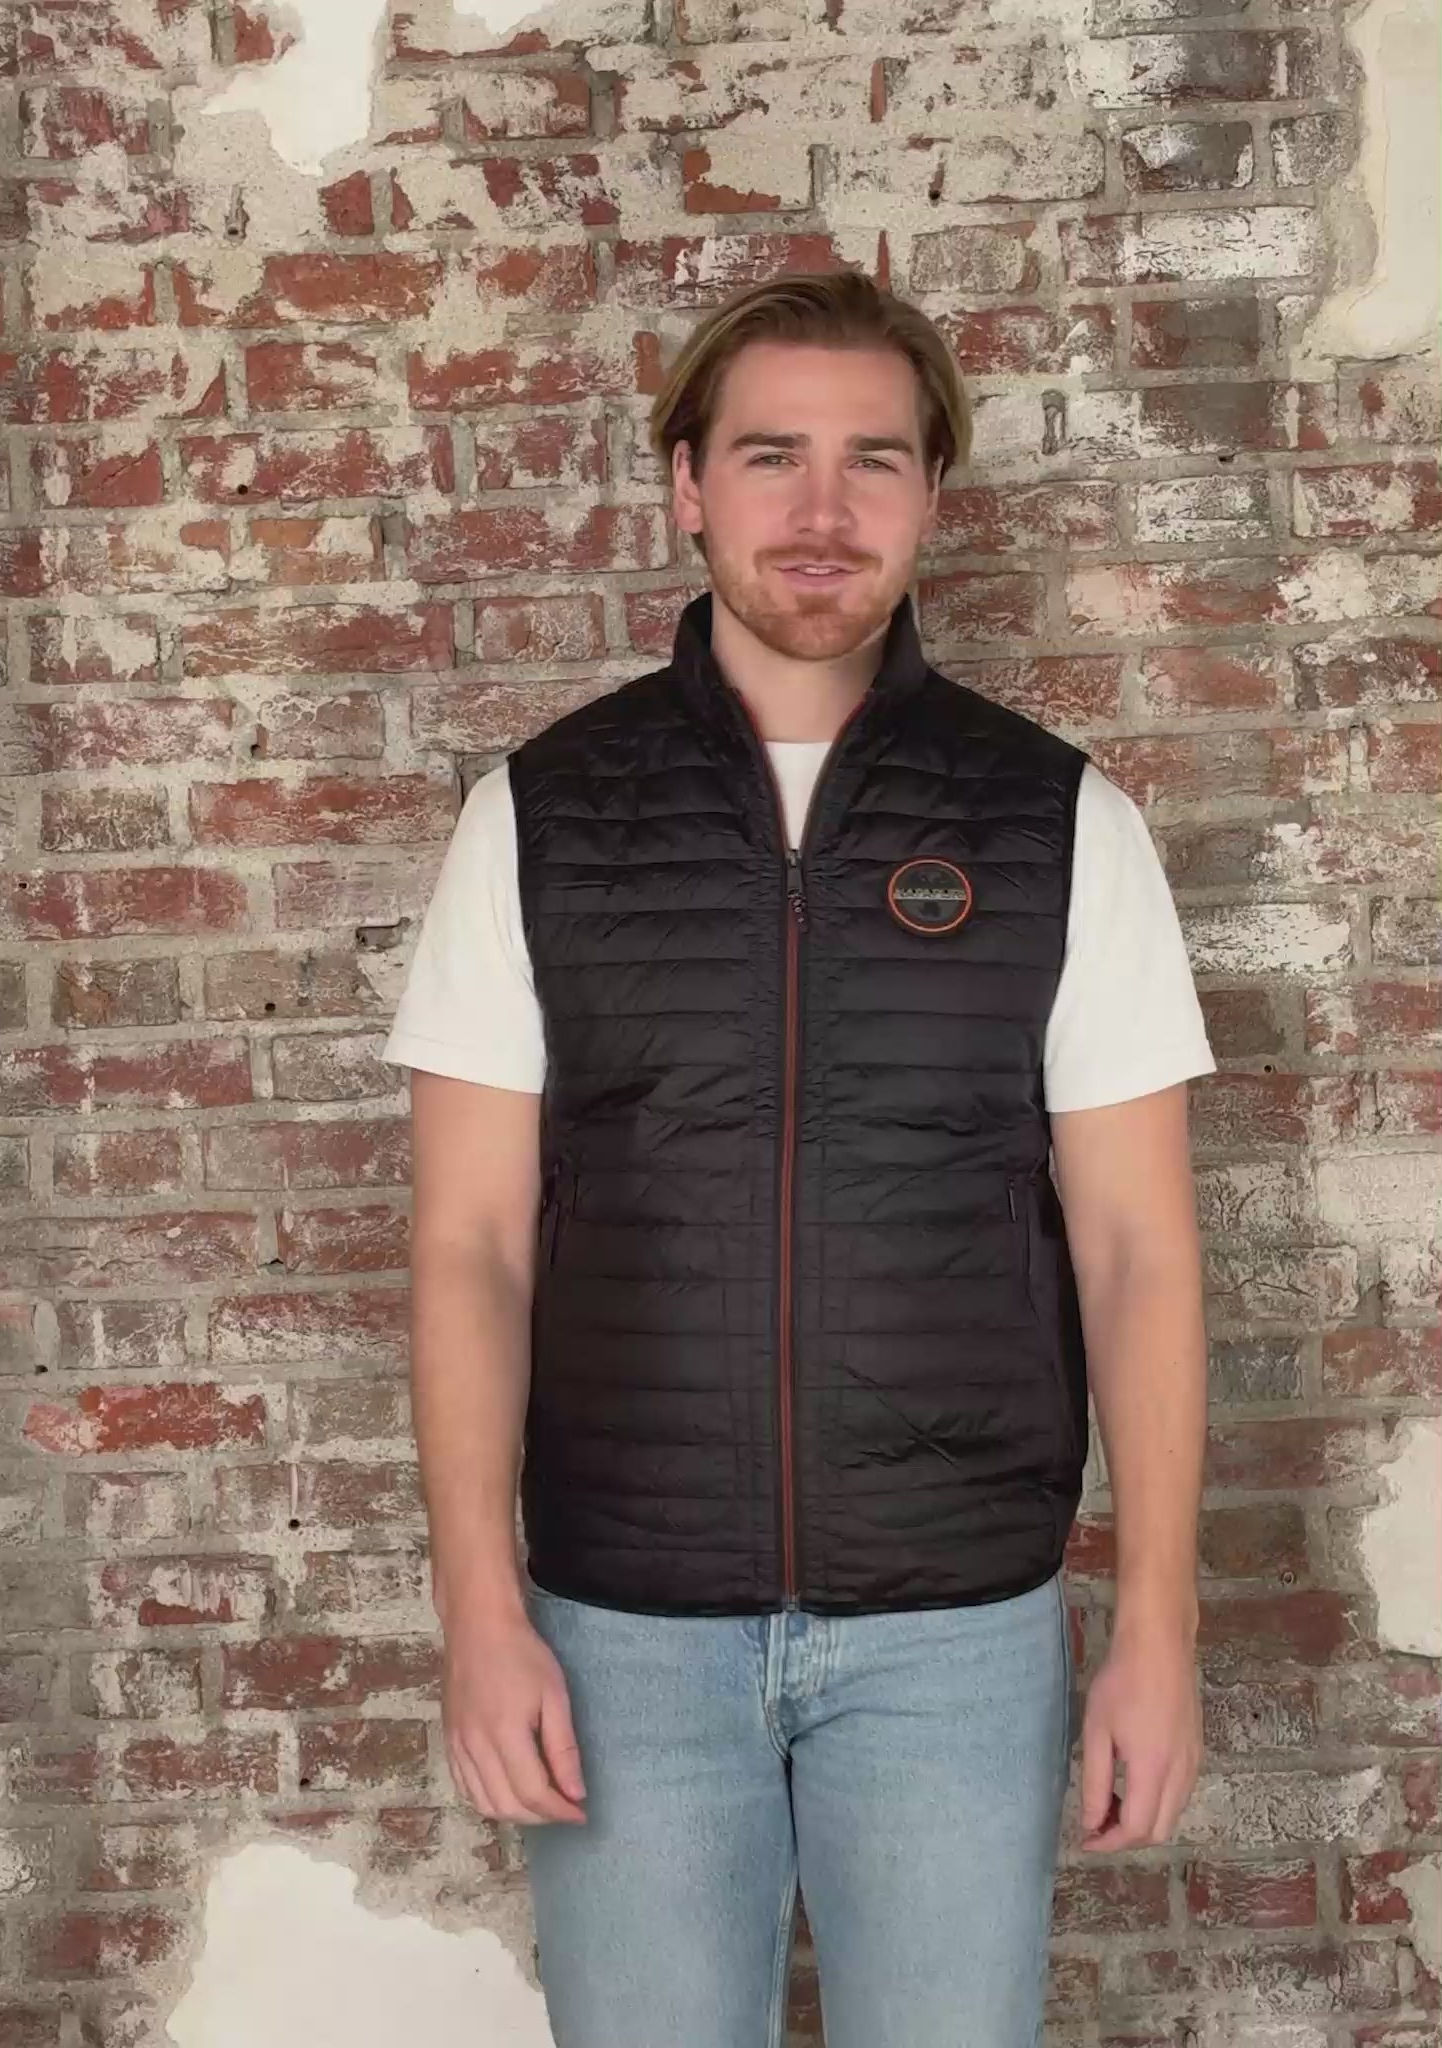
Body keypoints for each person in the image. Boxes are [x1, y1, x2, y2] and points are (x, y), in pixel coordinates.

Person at [385, 269, 1214, 2048]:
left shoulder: (1060, 823)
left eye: (873, 461)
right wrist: (478, 1609)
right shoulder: (536, 818)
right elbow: (470, 1245)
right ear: (688, 486)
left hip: (955, 1638)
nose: (822, 511)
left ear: (931, 496)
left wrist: (1157, 1627)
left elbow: (1136, 1251)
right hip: (620, 1633)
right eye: (771, 457)